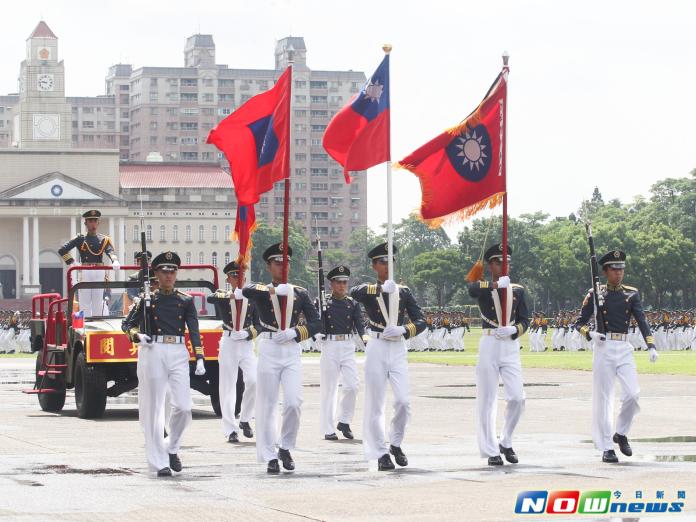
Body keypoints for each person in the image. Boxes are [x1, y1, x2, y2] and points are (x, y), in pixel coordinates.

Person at [239, 243, 321, 473]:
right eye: (278, 263)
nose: (282, 267)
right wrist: (274, 291)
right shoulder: (261, 290)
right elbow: (247, 290)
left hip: (291, 348)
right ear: (269, 266)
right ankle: (269, 455)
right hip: (269, 347)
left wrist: (296, 332)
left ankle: (285, 446)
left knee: (294, 402)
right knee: (267, 405)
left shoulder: (300, 293)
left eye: (286, 263)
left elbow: (316, 323)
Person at [123, 251, 206, 477]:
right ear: (156, 274)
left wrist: (199, 356)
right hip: (153, 349)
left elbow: (194, 330)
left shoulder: (185, 300)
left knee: (183, 407)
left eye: (172, 271)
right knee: (153, 408)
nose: (169, 276)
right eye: (164, 271)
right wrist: (137, 336)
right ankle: (158, 462)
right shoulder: (146, 300)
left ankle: (171, 447)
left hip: (178, 350)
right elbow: (127, 325)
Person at [574, 249, 658, 463]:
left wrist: (651, 345)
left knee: (633, 394)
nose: (619, 273)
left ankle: (620, 433)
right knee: (604, 399)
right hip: (603, 347)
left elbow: (641, 320)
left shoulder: (631, 293)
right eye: (614, 269)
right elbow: (579, 323)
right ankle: (606, 446)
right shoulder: (595, 293)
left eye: (621, 269)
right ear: (605, 271)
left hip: (624, 346)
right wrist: (590, 334)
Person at [351, 242, 426, 471]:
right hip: (377, 345)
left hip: (398, 347)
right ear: (374, 266)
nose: (388, 264)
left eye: (391, 260)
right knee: (375, 403)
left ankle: (395, 442)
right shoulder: (370, 290)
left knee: (403, 401)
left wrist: (405, 330)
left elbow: (421, 321)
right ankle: (380, 452)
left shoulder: (404, 292)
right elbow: (356, 292)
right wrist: (382, 290)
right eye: (383, 261)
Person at [468, 243, 529, 466]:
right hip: (490, 342)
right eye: (500, 262)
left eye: (508, 262)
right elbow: (472, 289)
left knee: (517, 398)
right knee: (487, 399)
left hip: (510, 345)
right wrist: (494, 285)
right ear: (491, 265)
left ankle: (506, 440)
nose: (505, 266)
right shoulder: (484, 286)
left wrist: (514, 330)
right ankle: (490, 449)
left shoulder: (519, 290)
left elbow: (525, 320)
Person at [207, 261, 258, 443]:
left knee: (253, 381)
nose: (239, 278)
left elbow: (259, 325)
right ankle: (230, 429)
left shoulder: (252, 297)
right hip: (229, 342)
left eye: (241, 275)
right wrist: (230, 296)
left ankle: (245, 419)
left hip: (245, 343)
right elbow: (211, 297)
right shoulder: (223, 295)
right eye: (234, 275)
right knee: (228, 387)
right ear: (228, 278)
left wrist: (247, 333)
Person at [319, 265, 365, 441]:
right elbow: (316, 321)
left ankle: (344, 421)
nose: (342, 285)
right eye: (338, 282)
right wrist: (318, 330)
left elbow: (359, 323)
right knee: (329, 389)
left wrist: (365, 338)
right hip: (330, 345)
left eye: (344, 282)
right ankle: (328, 428)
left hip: (347, 345)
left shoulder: (352, 303)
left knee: (353, 385)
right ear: (331, 284)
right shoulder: (323, 302)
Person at [58, 210, 120, 317]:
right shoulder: (80, 239)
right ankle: (85, 325)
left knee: (97, 301)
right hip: (85, 271)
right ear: (85, 223)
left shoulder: (104, 239)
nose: (93, 224)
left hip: (99, 272)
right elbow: (62, 250)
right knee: (84, 301)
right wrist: (72, 262)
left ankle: (97, 324)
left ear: (98, 223)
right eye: (90, 221)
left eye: (95, 221)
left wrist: (115, 260)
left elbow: (110, 251)